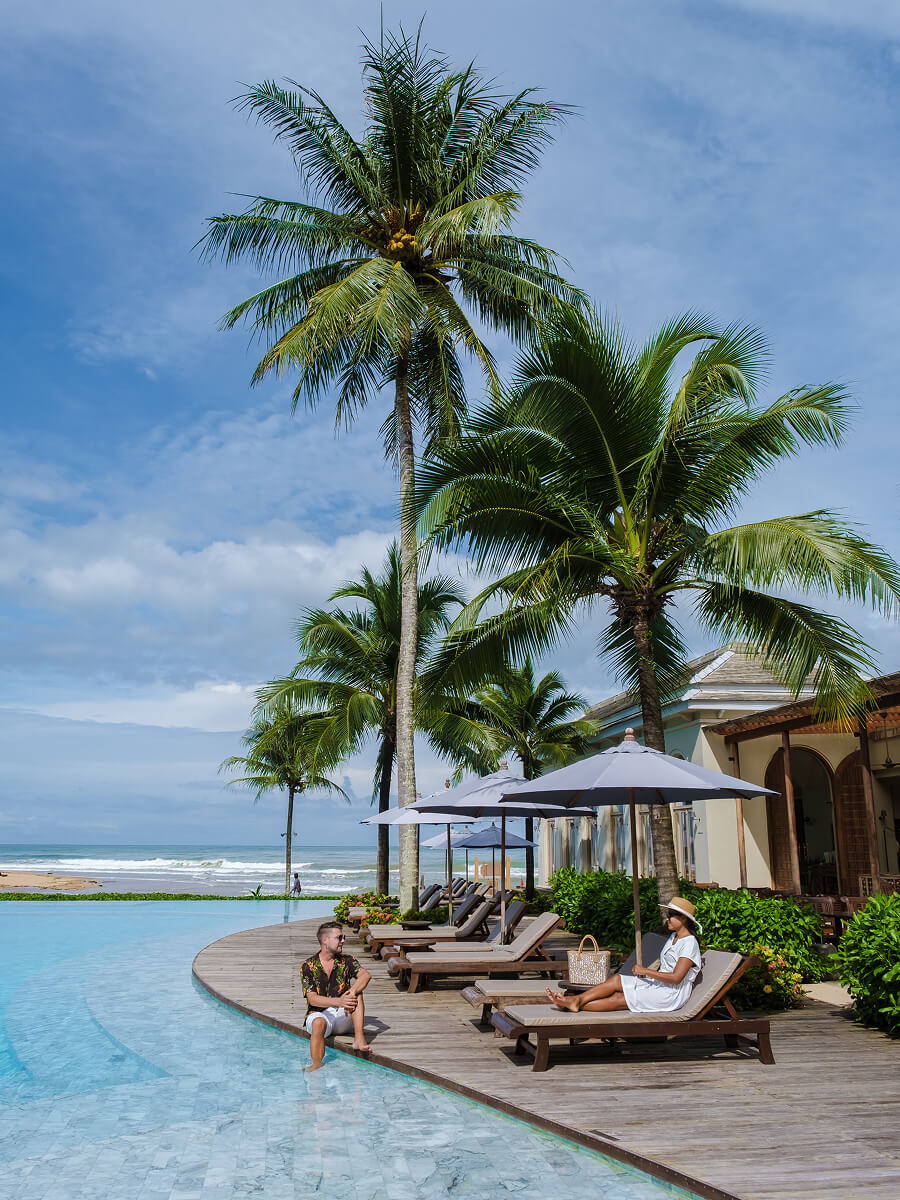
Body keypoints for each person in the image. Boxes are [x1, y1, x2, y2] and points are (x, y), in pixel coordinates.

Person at [547, 897, 703, 1014]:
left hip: (671, 994)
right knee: (617, 979)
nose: (667, 918)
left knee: (618, 998)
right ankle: (576, 1000)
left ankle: (570, 1004)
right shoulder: (673, 936)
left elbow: (676, 978)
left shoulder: (689, 944)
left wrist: (645, 971)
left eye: (671, 915)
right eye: (667, 914)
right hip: (659, 985)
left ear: (683, 918)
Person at [301, 921, 371, 1069]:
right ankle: (316, 1065)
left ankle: (359, 1039)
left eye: (343, 937)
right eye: (339, 937)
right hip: (319, 1014)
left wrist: (351, 992)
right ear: (325, 940)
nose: (343, 941)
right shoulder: (308, 966)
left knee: (357, 993)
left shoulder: (347, 960)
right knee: (318, 1023)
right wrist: (339, 1001)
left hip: (343, 1016)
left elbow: (365, 975)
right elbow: (312, 999)